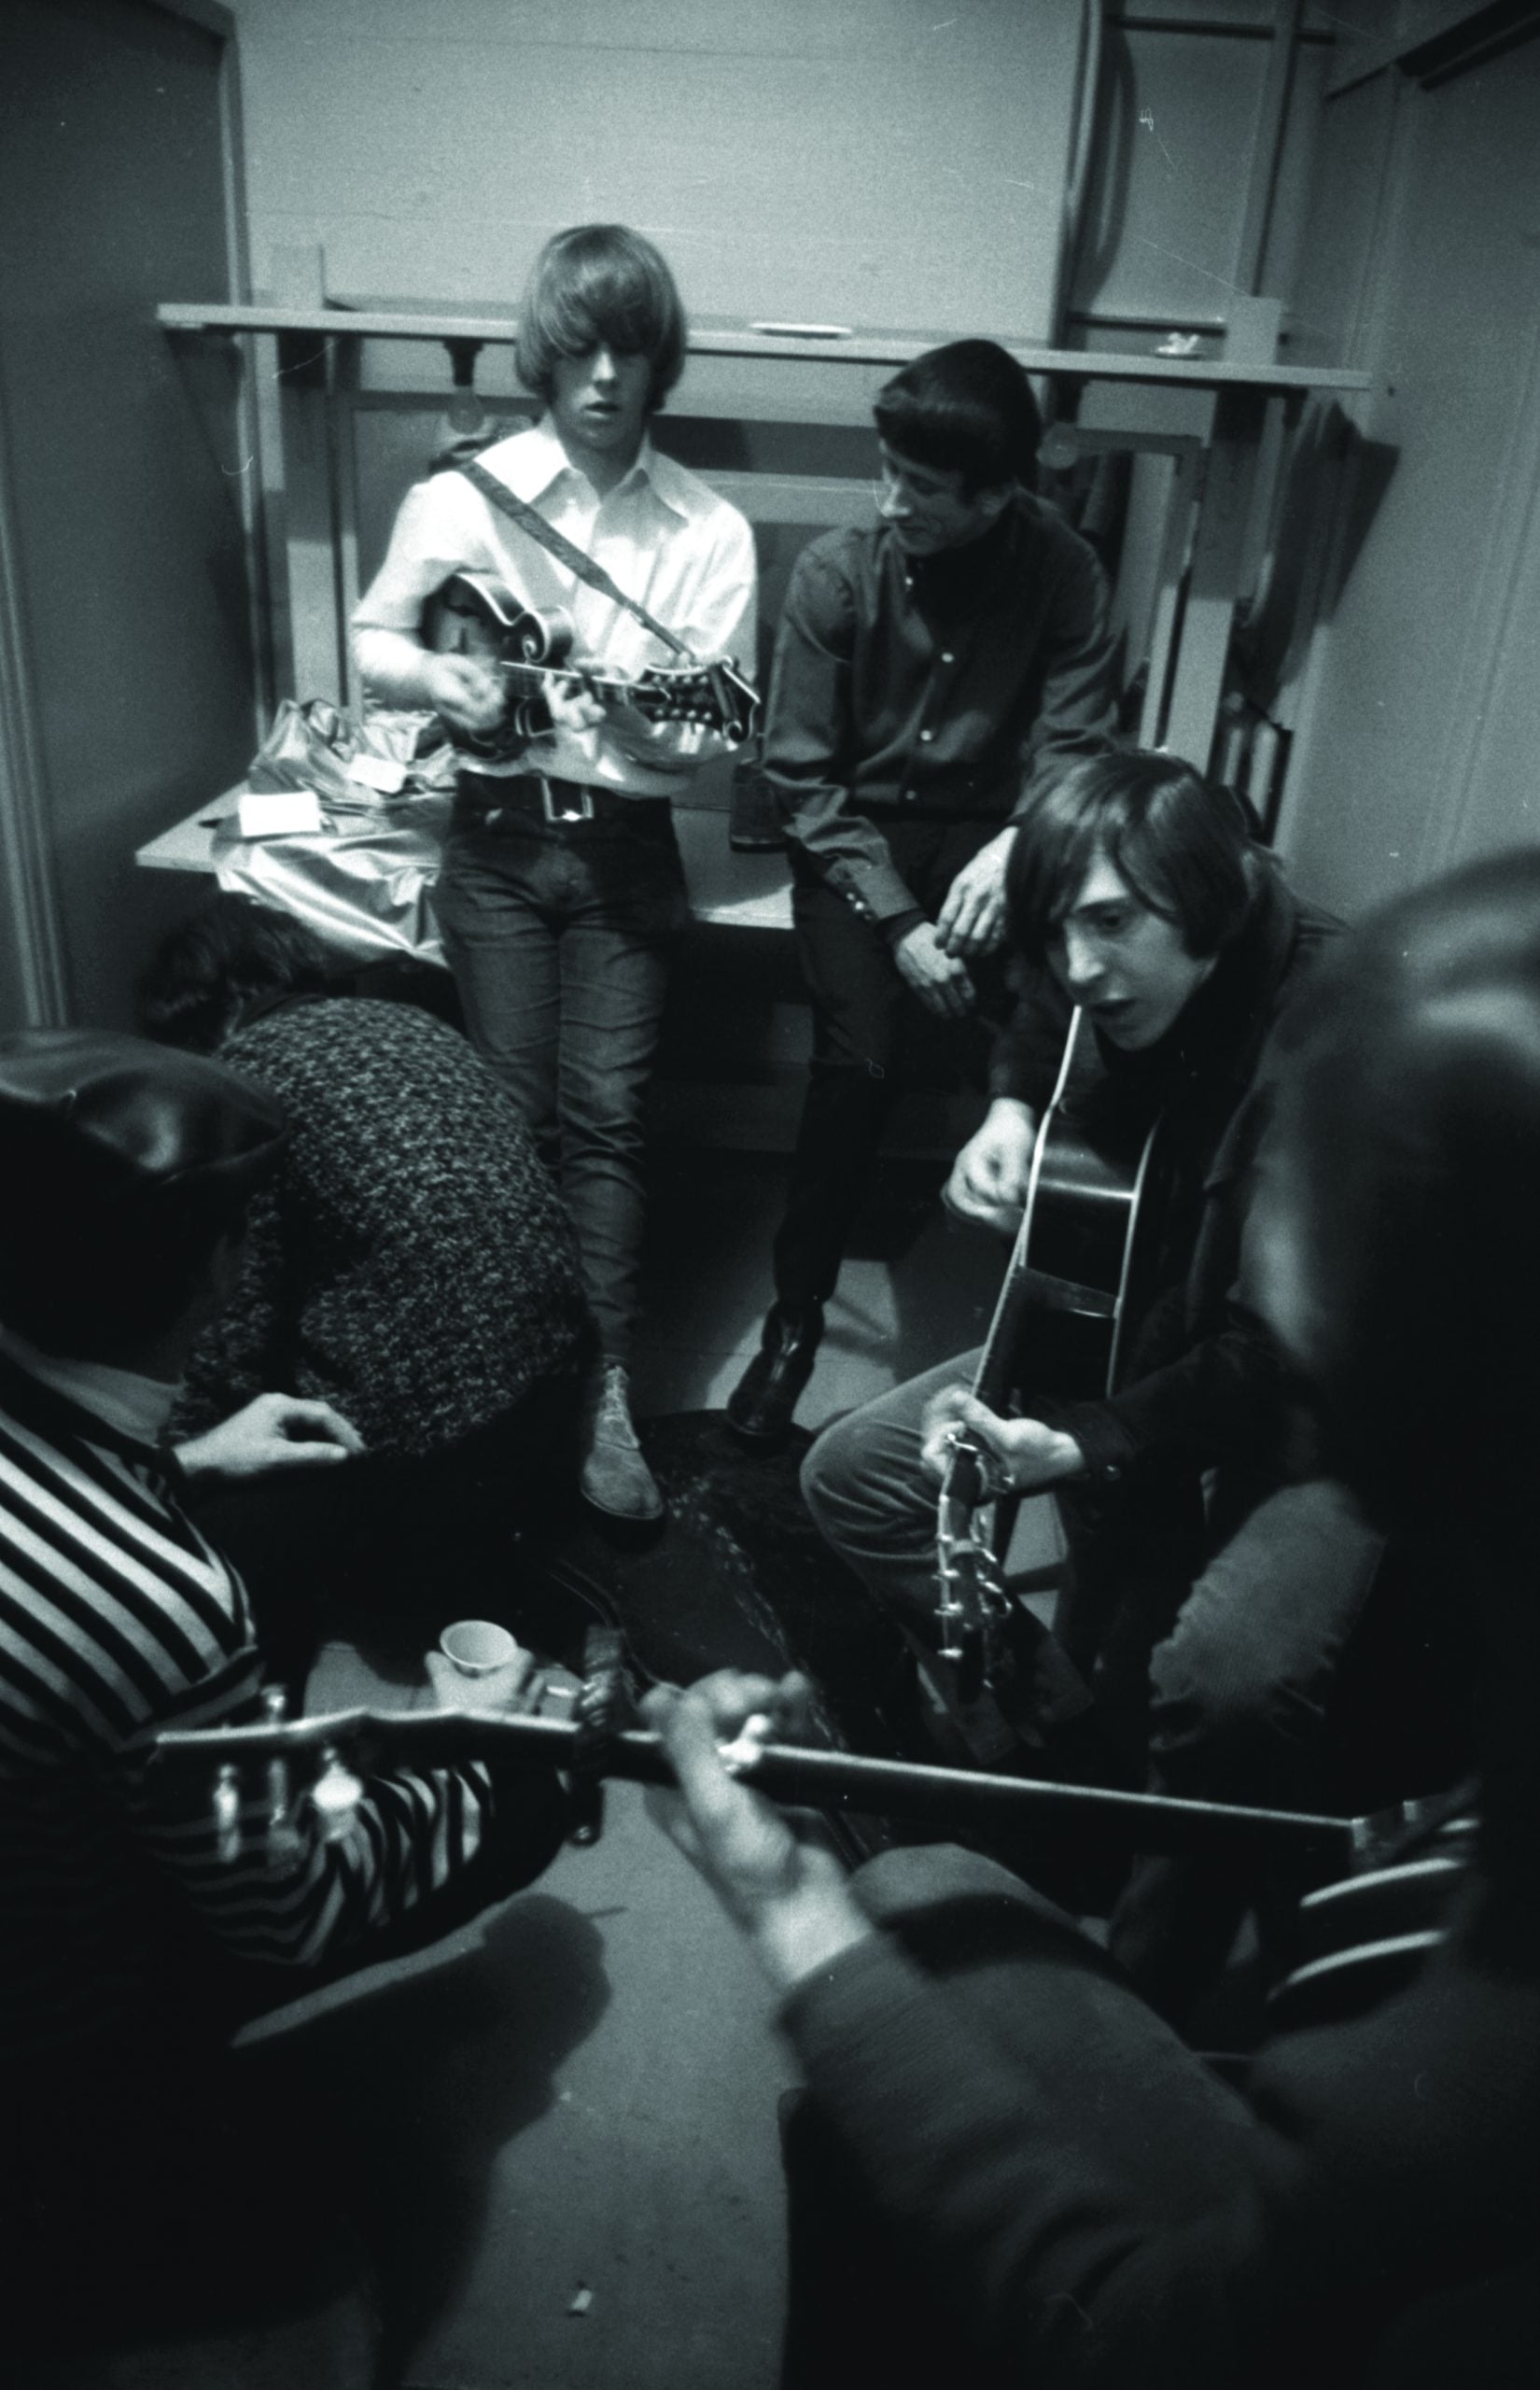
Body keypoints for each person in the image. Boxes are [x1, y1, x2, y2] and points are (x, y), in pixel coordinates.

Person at [647, 849, 1540, 2386]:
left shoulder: (1447, 2063)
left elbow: (1140, 2329)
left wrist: (785, 1899)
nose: (1078, 957)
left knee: (922, 1890)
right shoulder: (1102, 1015)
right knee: (866, 1472)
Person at [0, 1029, 572, 2376]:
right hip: (48, 2012)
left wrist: (191, 1459)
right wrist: (477, 1751)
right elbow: (297, 1896)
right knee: (523, 1792)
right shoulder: (163, 1601)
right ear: (205, 1275)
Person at [798, 750, 1366, 2009]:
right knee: (853, 1478)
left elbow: (1276, 1352)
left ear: (1211, 900)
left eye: (1108, 924)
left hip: (1284, 1409)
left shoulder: (1336, 1038)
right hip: (1128, 1339)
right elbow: (1044, 1008)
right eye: (1057, 927)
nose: (1077, 965)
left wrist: (1086, 1443)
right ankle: (1058, 1741)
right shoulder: (1110, 963)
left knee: (1198, 1677)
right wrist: (1009, 1109)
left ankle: (1139, 1996)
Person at [353, 222, 757, 1523]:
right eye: (577, 346)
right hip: (495, 844)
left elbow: (699, 743)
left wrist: (650, 723)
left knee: (608, 1122)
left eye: (627, 349)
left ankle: (603, 1397)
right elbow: (373, 636)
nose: (600, 376)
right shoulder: (461, 494)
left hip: (626, 849)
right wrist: (441, 676)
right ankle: (508, 1381)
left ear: (658, 362)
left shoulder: (708, 528)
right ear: (544, 352)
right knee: (508, 1122)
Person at [725, 338, 1117, 1450]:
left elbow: (1078, 746)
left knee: (1053, 1025)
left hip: (1001, 828)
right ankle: (793, 1322)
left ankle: (1039, 1346)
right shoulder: (836, 571)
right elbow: (799, 773)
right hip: (858, 835)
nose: (892, 499)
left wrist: (1019, 841)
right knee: (863, 1062)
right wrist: (897, 923)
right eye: (885, 469)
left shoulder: (1064, 570)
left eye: (925, 487)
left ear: (1001, 493)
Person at [140, 893, 593, 1670]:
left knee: (201, 1550)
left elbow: (237, 1323)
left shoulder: (245, 1078)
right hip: (560, 1386)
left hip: (437, 1452)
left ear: (206, 1013)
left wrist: (179, 1460)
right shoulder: (413, 1021)